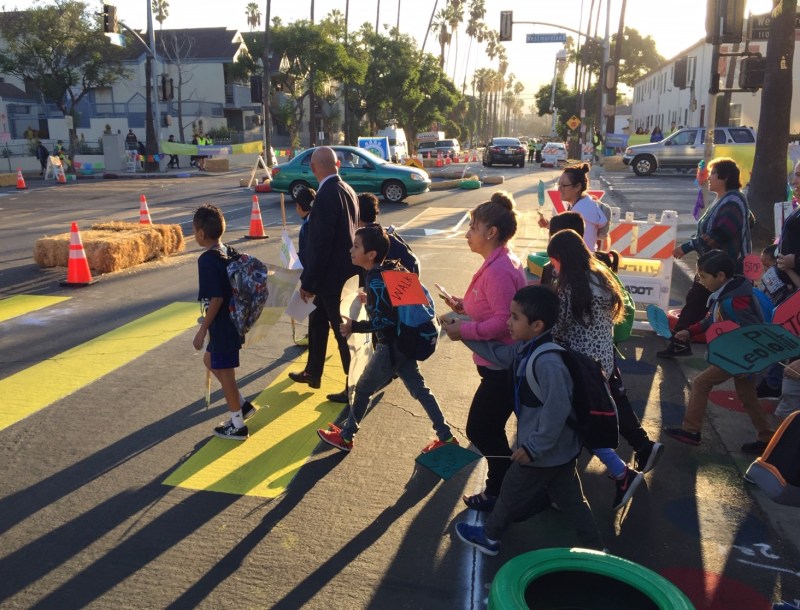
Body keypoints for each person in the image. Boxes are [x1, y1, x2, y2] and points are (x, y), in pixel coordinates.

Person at [453, 285, 604, 556]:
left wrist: (533, 447)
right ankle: (594, 544)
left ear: (536, 325)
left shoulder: (548, 362)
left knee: (511, 490)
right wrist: (461, 332)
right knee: (571, 500)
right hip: (561, 451)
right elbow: (500, 354)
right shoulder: (528, 348)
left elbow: (556, 410)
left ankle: (489, 537)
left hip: (542, 453)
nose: (508, 323)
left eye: (514, 318)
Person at [316, 226, 458, 453]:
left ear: (371, 254)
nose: (351, 250)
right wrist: (369, 300)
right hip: (407, 341)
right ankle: (446, 436)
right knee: (420, 390)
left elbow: (385, 322)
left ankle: (346, 437)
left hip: (391, 347)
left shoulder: (374, 280)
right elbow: (391, 308)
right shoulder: (387, 272)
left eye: (356, 246)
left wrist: (355, 326)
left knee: (362, 388)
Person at [543, 219, 664, 476]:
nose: (553, 266)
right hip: (605, 357)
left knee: (579, 417)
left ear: (562, 257)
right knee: (614, 403)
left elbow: (558, 327)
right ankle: (643, 446)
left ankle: (614, 470)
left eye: (554, 260)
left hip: (580, 363)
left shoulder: (569, 286)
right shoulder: (601, 275)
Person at [441, 192, 527, 512]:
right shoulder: (499, 261)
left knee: (481, 428)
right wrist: (464, 307)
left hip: (502, 367)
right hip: (498, 365)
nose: (468, 233)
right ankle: (504, 486)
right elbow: (495, 307)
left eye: (473, 227)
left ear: (491, 232)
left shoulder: (498, 269)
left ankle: (499, 489)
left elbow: (505, 322)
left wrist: (463, 329)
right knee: (488, 427)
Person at [665, 250, 774, 454]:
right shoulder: (727, 293)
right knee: (747, 396)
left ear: (721, 276)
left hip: (739, 356)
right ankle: (767, 437)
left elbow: (752, 329)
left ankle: (691, 430)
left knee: (700, 383)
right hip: (740, 355)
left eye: (704, 277)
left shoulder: (735, 299)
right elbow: (711, 320)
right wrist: (689, 331)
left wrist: (744, 361)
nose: (701, 281)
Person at [658, 157, 752, 358]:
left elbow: (723, 232)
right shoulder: (728, 198)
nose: (709, 177)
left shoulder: (733, 200)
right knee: (697, 302)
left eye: (713, 174)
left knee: (705, 304)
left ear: (725, 177)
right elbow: (748, 221)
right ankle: (681, 343)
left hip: (724, 268)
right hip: (714, 265)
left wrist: (690, 245)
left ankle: (684, 344)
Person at [288, 147, 360, 404]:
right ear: (337, 164)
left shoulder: (326, 195)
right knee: (316, 322)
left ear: (314, 169)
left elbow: (320, 245)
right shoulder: (347, 190)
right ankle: (313, 371)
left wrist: (308, 283)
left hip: (331, 279)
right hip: (346, 272)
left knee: (342, 333)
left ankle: (353, 385)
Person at [191, 204, 257, 441]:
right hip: (233, 320)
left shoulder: (207, 260)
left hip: (222, 325)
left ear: (200, 234)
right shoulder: (228, 251)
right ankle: (242, 405)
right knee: (211, 360)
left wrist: (202, 331)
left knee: (226, 373)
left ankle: (238, 424)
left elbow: (216, 297)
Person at [537, 163, 608, 252]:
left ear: (577, 187)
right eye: (559, 185)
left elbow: (568, 240)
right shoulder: (584, 204)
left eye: (564, 185)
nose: (559, 189)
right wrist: (548, 224)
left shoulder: (580, 212)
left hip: (578, 263)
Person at [357, 192, 420, 275]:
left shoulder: (368, 238)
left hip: (393, 282)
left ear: (356, 214)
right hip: (408, 279)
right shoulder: (386, 233)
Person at [295, 187, 315, 268]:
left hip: (309, 269)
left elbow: (309, 250)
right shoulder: (314, 217)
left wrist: (296, 257)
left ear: (299, 206)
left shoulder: (308, 224)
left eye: (296, 206)